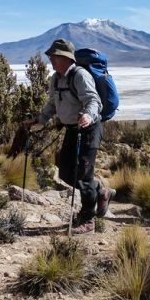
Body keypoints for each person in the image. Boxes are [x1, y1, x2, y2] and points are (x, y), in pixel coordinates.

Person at [23, 38, 113, 234]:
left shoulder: (80, 75)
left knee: (83, 175)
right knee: (64, 172)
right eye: (51, 57)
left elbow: (93, 100)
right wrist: (40, 120)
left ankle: (88, 220)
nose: (52, 60)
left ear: (67, 58)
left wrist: (88, 115)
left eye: (56, 57)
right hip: (72, 131)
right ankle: (101, 192)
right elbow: (52, 104)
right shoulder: (55, 79)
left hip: (88, 130)